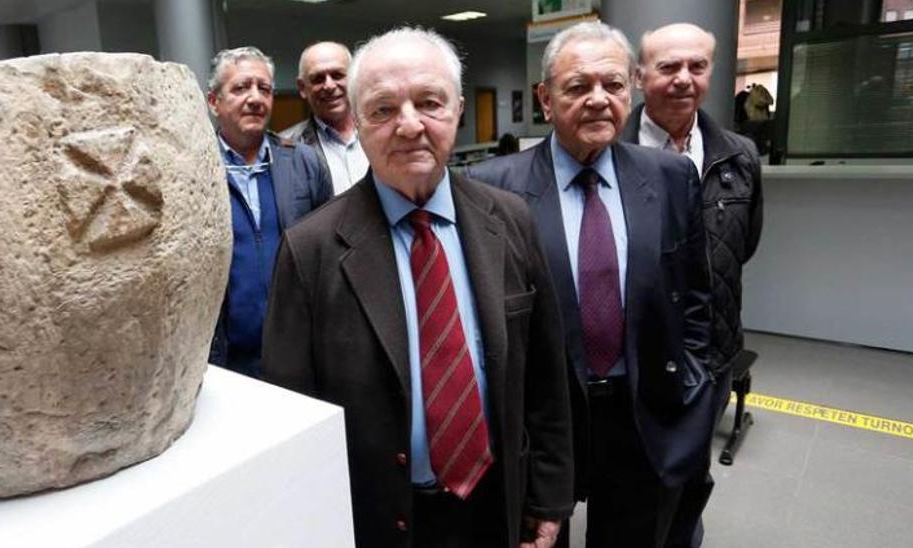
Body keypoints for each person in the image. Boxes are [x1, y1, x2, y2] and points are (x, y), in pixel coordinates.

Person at [262, 27, 574, 548]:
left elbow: (546, 377)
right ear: (357, 124)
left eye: (429, 102)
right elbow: (292, 421)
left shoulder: (511, 221)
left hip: (498, 506)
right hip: (381, 520)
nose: (409, 126)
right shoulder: (309, 251)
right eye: (383, 110)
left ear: (456, 111)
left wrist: (548, 496)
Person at [465, 22, 715, 548]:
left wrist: (692, 392)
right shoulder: (491, 188)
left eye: (614, 85)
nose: (599, 100)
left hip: (640, 410)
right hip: (545, 416)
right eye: (578, 86)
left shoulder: (670, 178)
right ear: (546, 99)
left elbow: (695, 297)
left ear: (631, 90)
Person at [622, 22, 765, 547]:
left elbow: (742, 246)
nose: (684, 79)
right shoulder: (610, 152)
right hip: (632, 349)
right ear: (639, 77)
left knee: (691, 472)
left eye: (697, 67)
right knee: (631, 472)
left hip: (713, 350)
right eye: (668, 67)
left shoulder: (739, 157)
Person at [205, 46, 332, 379]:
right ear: (213, 101)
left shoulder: (303, 163)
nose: (255, 98)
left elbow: (328, 255)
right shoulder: (194, 170)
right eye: (241, 88)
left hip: (299, 351)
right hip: (226, 359)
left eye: (264, 88)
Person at [280, 41, 370, 195]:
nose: (329, 85)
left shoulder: (383, 130)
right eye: (318, 79)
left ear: (354, 79)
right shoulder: (284, 148)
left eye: (337, 75)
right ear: (302, 88)